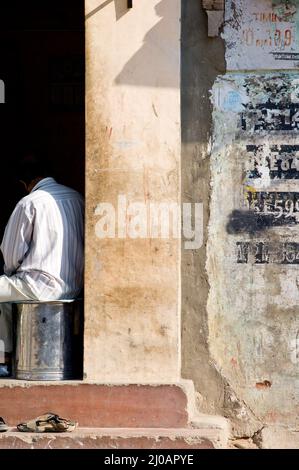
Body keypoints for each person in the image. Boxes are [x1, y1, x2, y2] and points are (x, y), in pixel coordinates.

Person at [0, 154, 84, 375]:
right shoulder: (77, 198)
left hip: (38, 286)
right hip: (74, 286)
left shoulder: (29, 202)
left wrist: (10, 273)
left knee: (4, 289)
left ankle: (3, 358)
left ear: (24, 183)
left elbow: (10, 253)